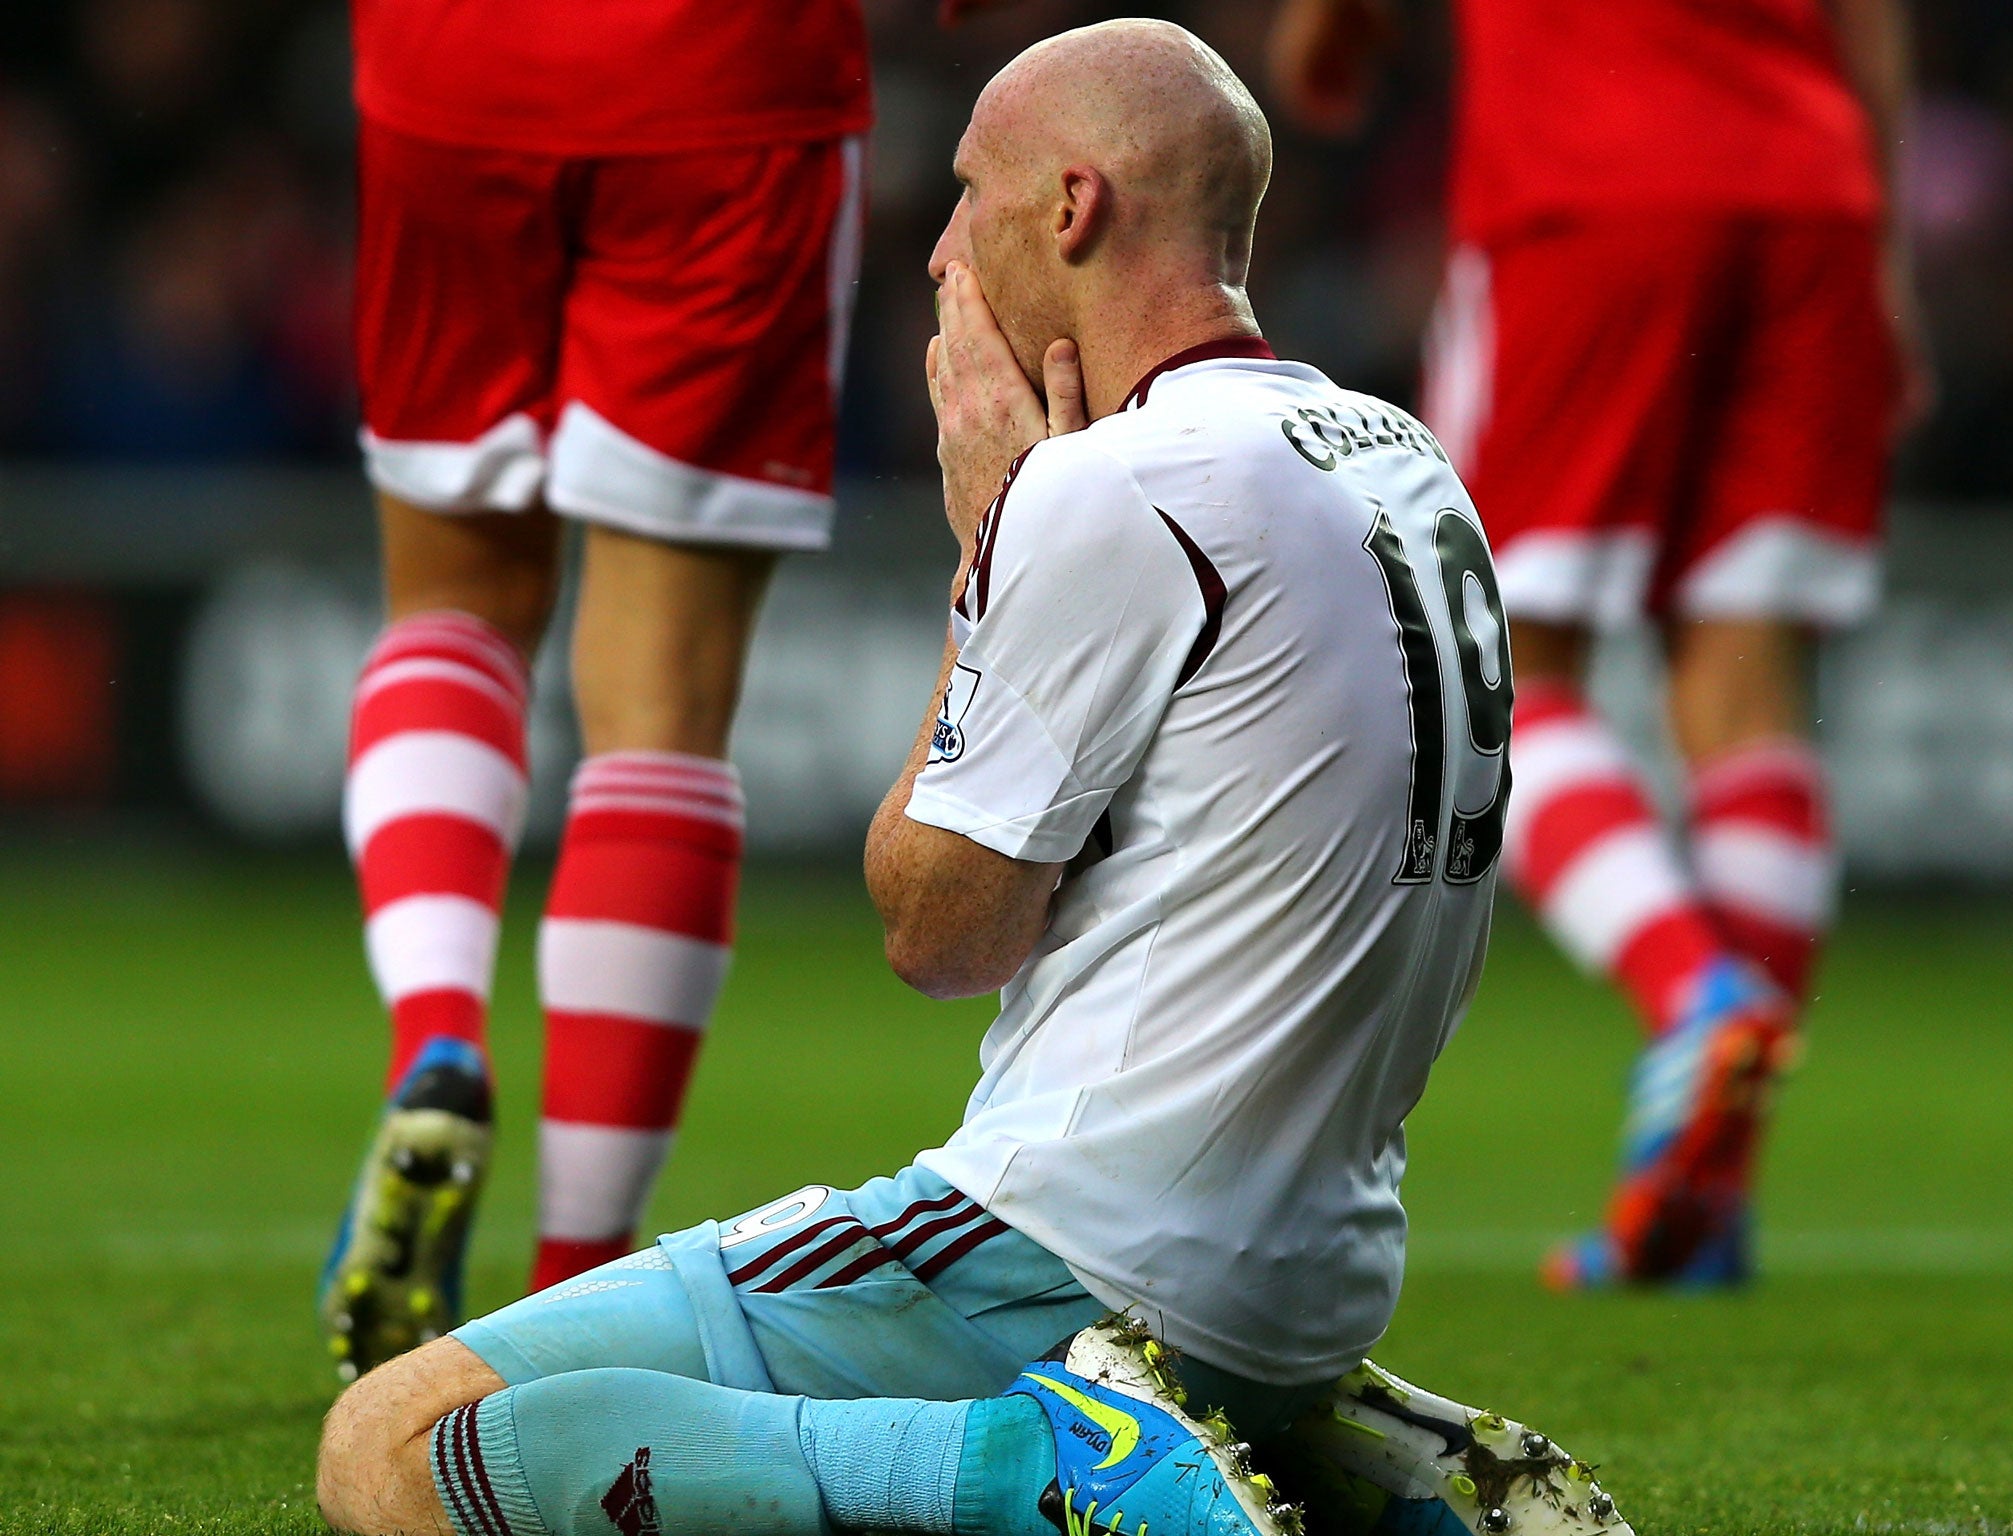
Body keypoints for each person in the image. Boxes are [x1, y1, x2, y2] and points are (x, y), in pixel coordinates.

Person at [315, 21, 1633, 1536]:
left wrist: (987, 548)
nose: (940, 249)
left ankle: (1035, 1467)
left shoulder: (1109, 487)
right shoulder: (1406, 457)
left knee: (394, 1444)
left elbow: (937, 932)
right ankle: (1330, 1459)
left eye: (967, 194)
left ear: (1071, 208)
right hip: (1311, 1281)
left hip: (1065, 1244)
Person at [320, 0, 1038, 1379]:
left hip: (450, 61)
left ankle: (437, 1037)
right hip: (720, 76)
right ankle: (568, 1293)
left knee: (454, 606)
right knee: (661, 706)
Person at [1269, 0, 1924, 1287]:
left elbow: (1327, 39)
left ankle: (1694, 997)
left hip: (1587, 177)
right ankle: (1708, 1202)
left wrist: (1324, 40)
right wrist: (1884, 244)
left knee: (1502, 663)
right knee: (1746, 684)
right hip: (1812, 194)